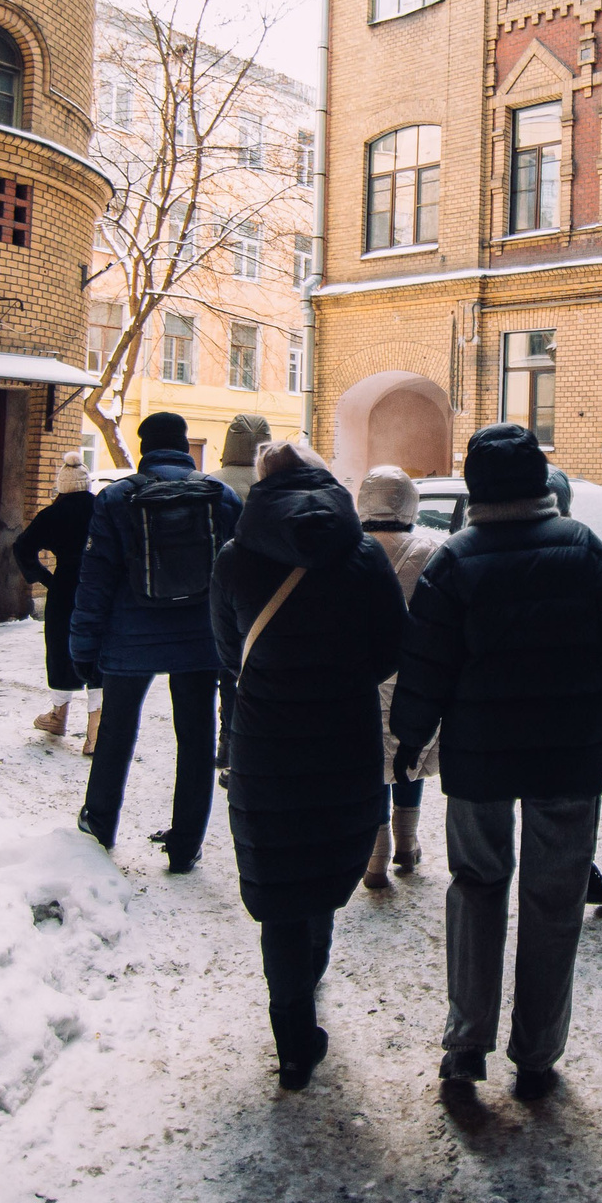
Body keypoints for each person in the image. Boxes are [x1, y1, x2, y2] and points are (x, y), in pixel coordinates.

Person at [392, 424, 602, 1100]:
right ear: (540, 480)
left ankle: (466, 1041)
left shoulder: (456, 559)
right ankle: (536, 1049)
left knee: (476, 886)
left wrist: (408, 738)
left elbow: (427, 664)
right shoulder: (584, 549)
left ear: (476, 485)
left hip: (480, 758)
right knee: (555, 896)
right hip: (571, 754)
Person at [210, 441, 407, 1090]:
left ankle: (292, 1032)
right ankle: (309, 986)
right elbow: (389, 653)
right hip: (345, 737)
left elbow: (228, 653)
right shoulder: (361, 557)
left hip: (265, 739)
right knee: (322, 865)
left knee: (281, 882)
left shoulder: (236, 559)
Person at [68, 410, 241, 871]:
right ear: (184, 446)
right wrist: (235, 646)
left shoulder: (116, 498)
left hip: (129, 642)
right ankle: (186, 845)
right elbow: (240, 576)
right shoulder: (219, 496)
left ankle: (100, 826)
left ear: (143, 448)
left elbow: (95, 581)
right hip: (201, 642)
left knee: (117, 734)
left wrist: (83, 649)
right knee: (196, 738)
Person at [355, 466, 444, 888]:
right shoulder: (431, 550)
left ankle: (375, 859)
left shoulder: (348, 549)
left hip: (361, 679)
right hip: (415, 679)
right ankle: (407, 844)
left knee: (371, 762)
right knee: (408, 755)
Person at [548, 464, 602, 917]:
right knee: (567, 809)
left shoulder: (472, 546)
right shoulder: (584, 549)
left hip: (494, 720)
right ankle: (579, 873)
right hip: (569, 713)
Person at [13, 455, 100, 750]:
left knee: (61, 648)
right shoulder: (102, 508)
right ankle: (95, 732)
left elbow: (22, 547)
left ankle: (58, 716)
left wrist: (47, 579)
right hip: (98, 586)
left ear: (61, 486)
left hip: (65, 587)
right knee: (96, 650)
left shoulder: (53, 513)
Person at [210, 413, 272, 783]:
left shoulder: (212, 483)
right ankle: (252, 741)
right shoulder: (275, 482)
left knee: (227, 669)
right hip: (269, 593)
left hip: (220, 585)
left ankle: (226, 739)